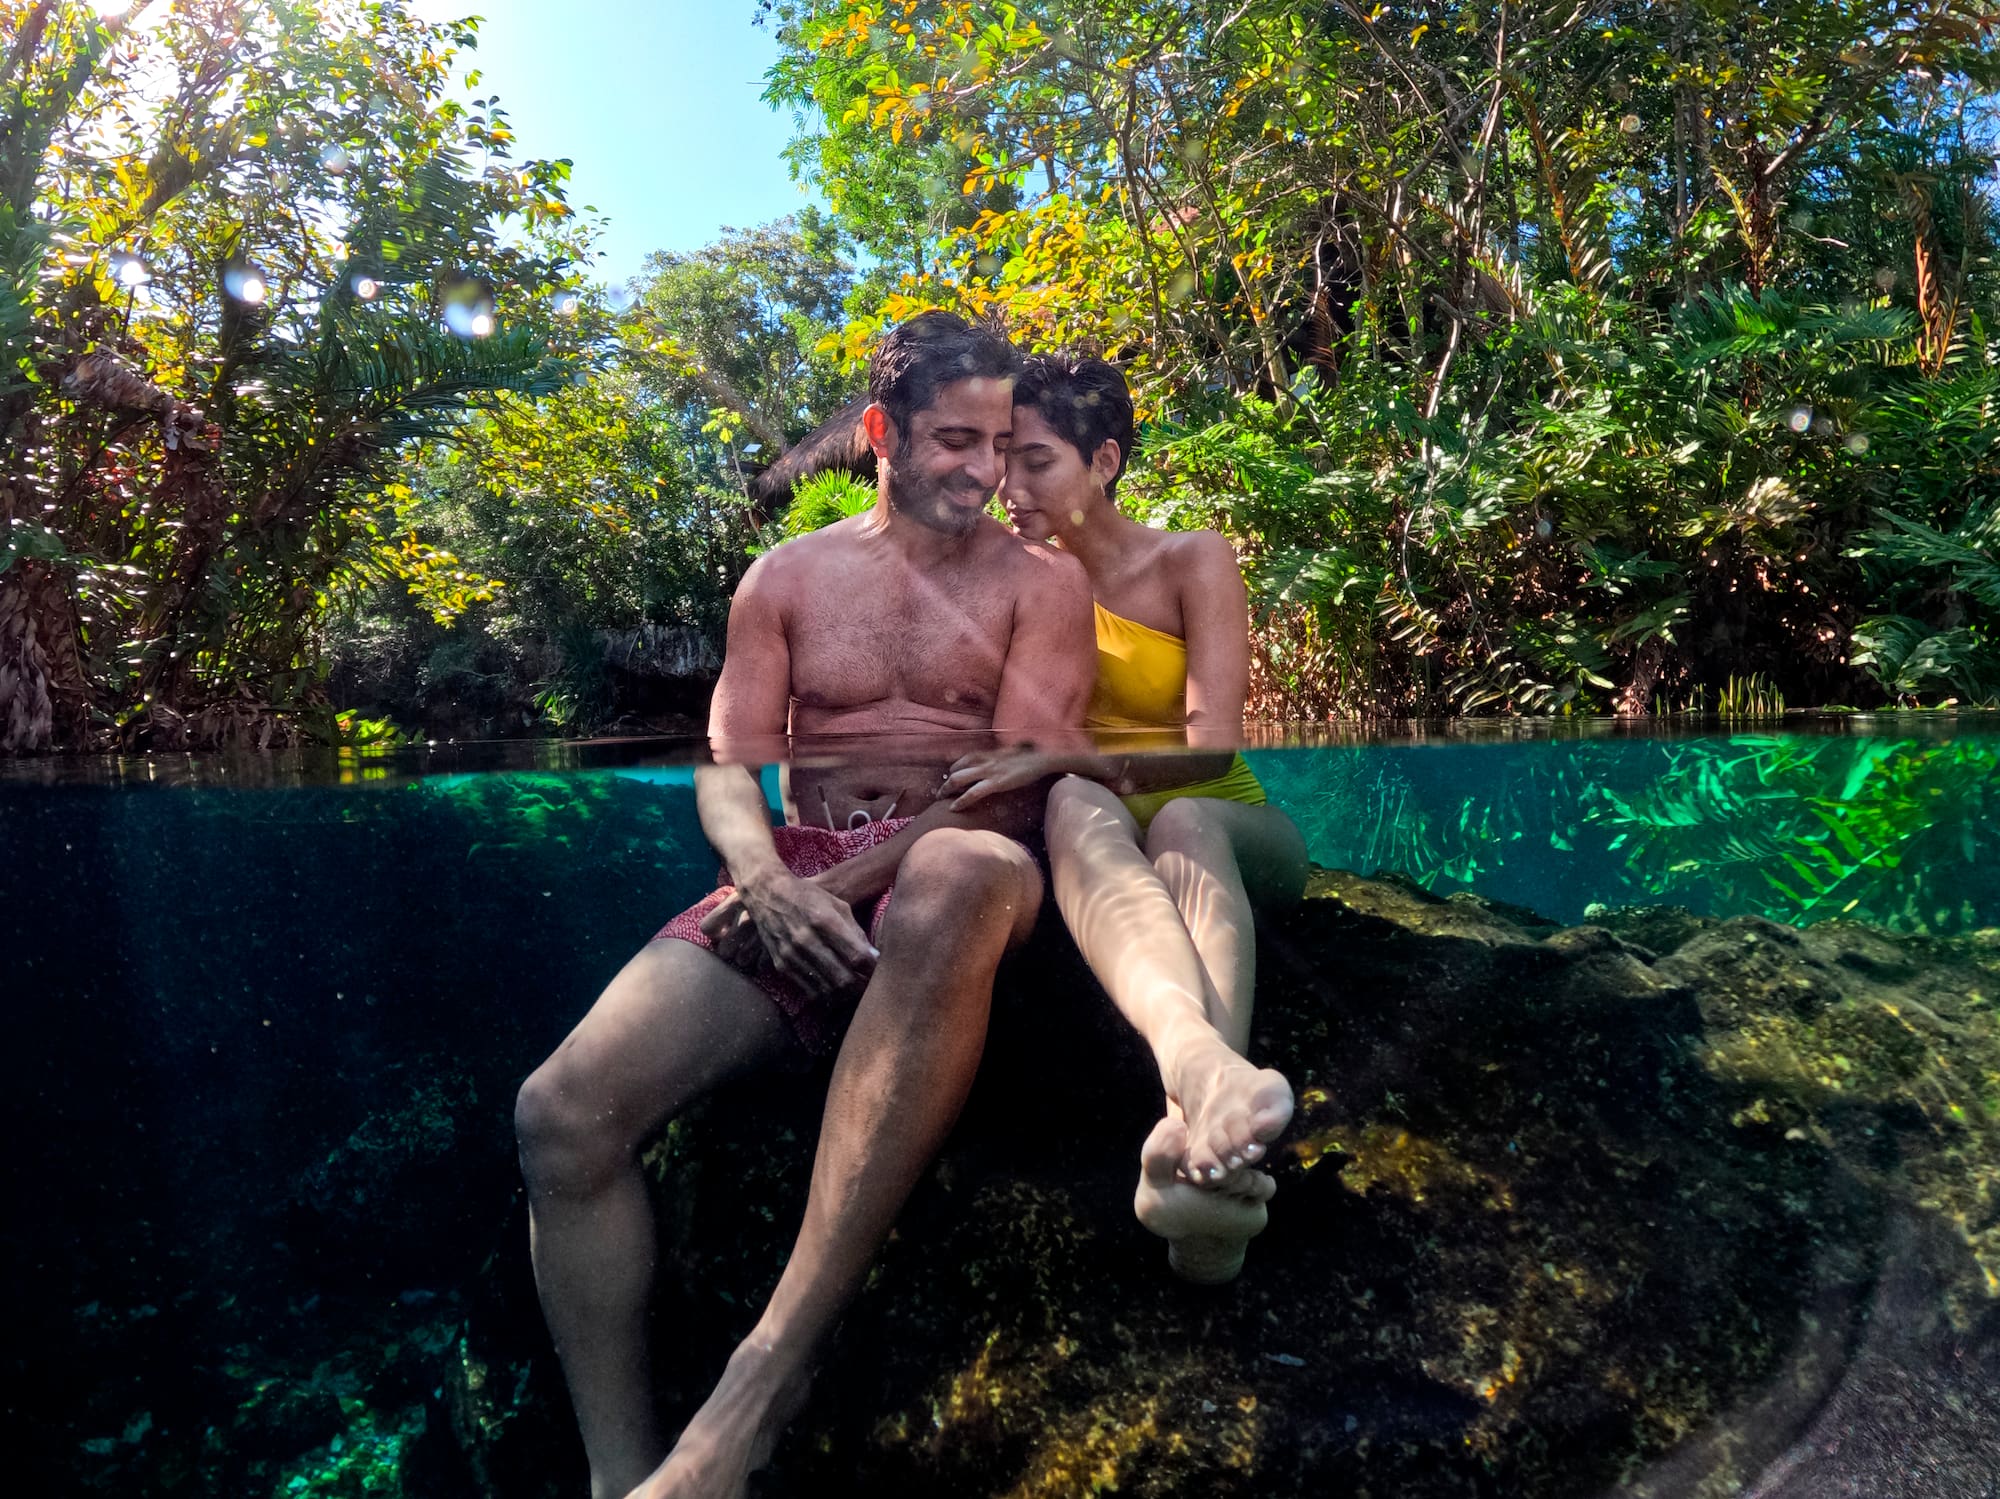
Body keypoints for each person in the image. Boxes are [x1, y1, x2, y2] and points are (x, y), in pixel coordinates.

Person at [514, 312, 1097, 1499]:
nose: (984, 470)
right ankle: (622, 1471)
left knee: (953, 874)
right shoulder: (782, 577)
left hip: (959, 868)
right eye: (951, 440)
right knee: (557, 1114)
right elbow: (730, 764)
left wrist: (834, 885)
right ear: (879, 432)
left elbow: (1021, 789)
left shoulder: (1044, 584)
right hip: (796, 869)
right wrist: (767, 881)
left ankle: (759, 1382)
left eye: (998, 442)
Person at [944, 353, 1308, 1285]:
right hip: (1101, 837)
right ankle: (1207, 1133)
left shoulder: (1192, 558)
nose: (1006, 485)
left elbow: (1212, 751)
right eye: (998, 460)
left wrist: (1063, 754)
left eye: (1035, 460)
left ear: (1103, 460)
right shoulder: (1023, 583)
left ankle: (1194, 1106)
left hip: (1228, 825)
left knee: (1181, 814)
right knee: (1070, 799)